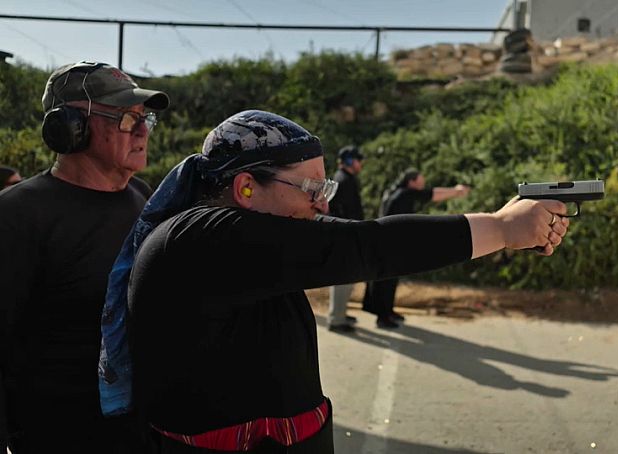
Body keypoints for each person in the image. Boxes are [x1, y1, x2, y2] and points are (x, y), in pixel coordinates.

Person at [102, 109, 568, 453]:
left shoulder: (235, 240)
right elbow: (366, 247)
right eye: (310, 190)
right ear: (245, 188)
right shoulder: (198, 238)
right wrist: (504, 228)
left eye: (325, 190)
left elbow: (354, 242)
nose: (322, 205)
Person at [0, 61, 169, 453]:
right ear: (69, 128)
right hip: (58, 431)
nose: (143, 130)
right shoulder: (17, 215)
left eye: (145, 119)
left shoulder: (141, 194)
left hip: (138, 428)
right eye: (127, 119)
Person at [363, 168, 471, 328]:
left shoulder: (396, 192)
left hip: (387, 242)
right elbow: (433, 194)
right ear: (411, 181)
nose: (423, 183)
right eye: (420, 180)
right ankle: (382, 317)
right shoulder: (405, 193)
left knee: (390, 279)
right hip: (388, 244)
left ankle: (388, 311)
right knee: (385, 281)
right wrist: (456, 191)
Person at [326, 145, 365, 333]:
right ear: (349, 161)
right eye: (358, 160)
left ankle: (340, 314)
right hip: (344, 236)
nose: (360, 164)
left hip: (347, 234)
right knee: (342, 279)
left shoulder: (346, 179)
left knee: (347, 279)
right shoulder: (343, 180)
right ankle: (336, 319)